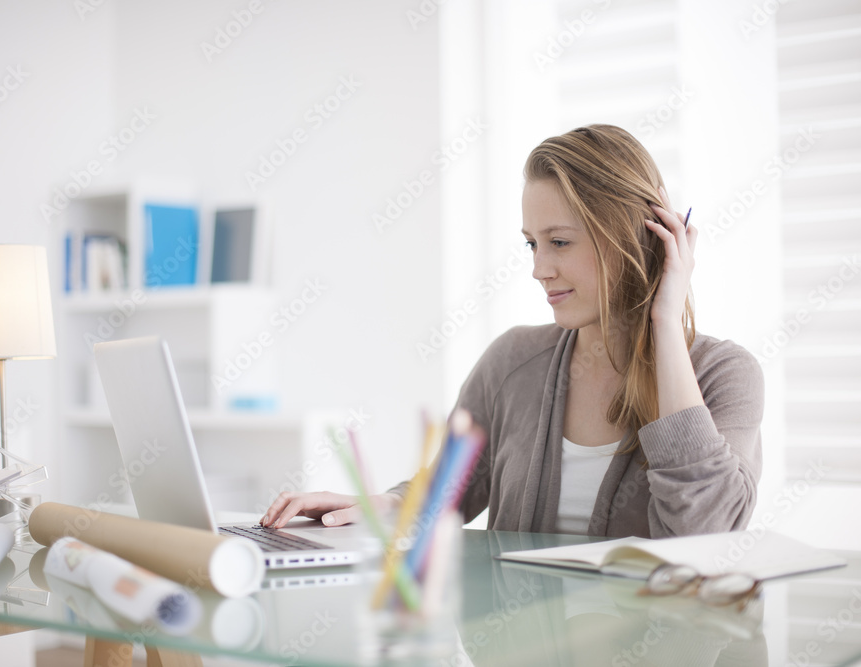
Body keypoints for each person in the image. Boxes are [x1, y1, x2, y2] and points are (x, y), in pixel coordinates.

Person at [261, 124, 763, 538]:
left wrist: (665, 324)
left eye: (560, 242)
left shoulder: (725, 374)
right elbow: (447, 495)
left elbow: (706, 531)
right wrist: (382, 504)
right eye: (531, 245)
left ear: (631, 235)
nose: (539, 269)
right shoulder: (513, 360)